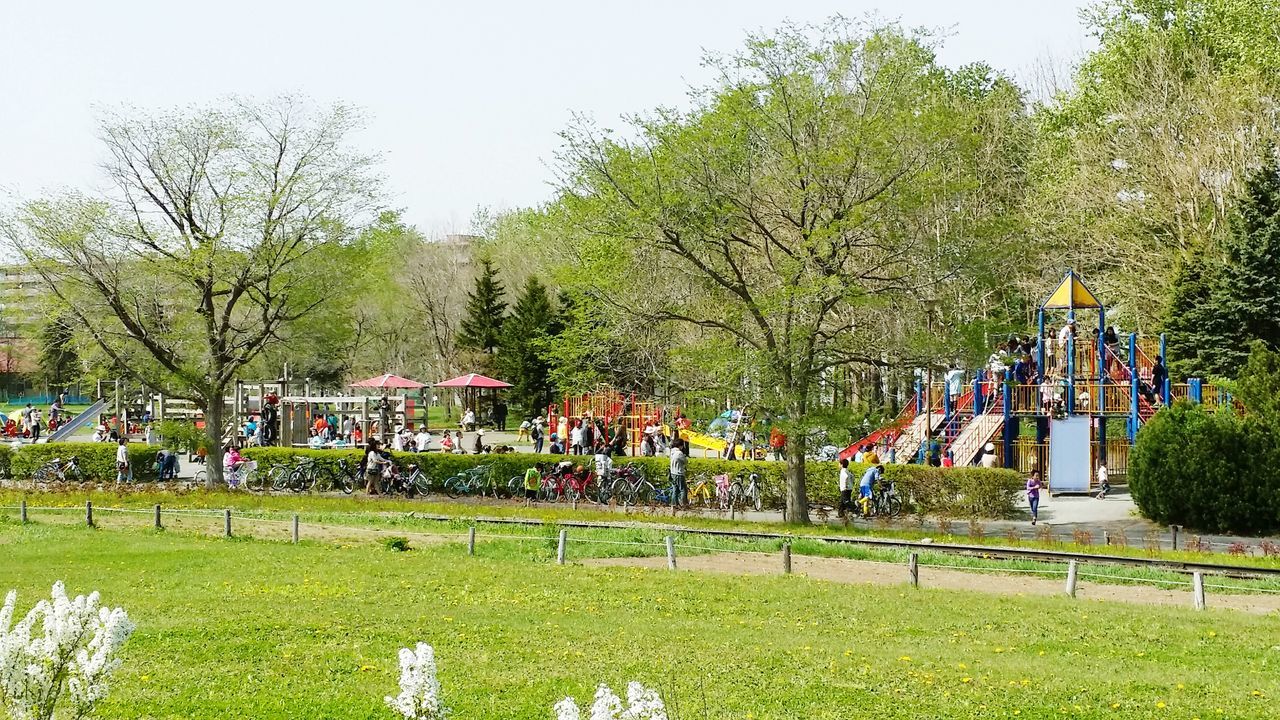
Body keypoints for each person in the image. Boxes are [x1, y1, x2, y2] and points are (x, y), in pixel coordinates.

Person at [669, 440, 688, 507]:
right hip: (679, 473)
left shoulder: (672, 452)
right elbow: (685, 461)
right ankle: (684, 504)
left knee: (675, 489)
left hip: (672, 472)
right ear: (680, 446)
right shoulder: (679, 453)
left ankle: (674, 504)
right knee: (683, 489)